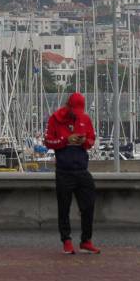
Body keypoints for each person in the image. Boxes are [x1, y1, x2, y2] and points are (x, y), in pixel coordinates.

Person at [44, 92, 99, 254]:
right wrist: (66, 140)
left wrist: (84, 141)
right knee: (64, 208)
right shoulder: (55, 119)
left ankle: (86, 241)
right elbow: (48, 142)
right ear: (68, 106)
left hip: (82, 169)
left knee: (88, 205)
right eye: (74, 110)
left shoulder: (85, 119)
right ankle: (66, 240)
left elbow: (92, 140)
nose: (77, 114)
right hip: (64, 171)